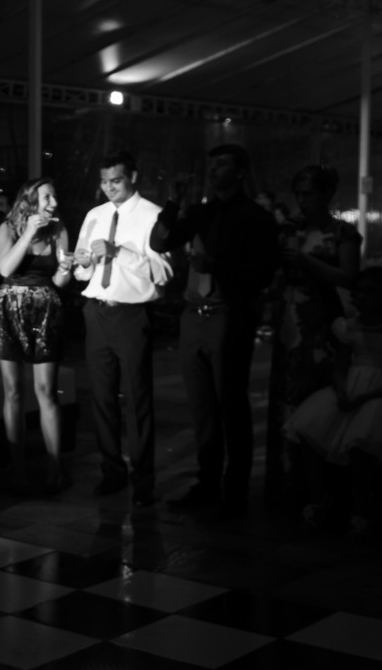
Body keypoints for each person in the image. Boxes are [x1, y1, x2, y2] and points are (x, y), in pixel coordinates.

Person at [150, 145, 279, 519]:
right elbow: (160, 242)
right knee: (201, 407)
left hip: (229, 316)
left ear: (240, 172)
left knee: (232, 406)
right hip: (194, 317)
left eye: (222, 164)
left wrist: (216, 265)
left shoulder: (255, 217)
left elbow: (263, 273)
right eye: (211, 164)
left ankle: (234, 493)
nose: (213, 170)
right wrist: (173, 201)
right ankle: (207, 483)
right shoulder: (201, 212)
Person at [73, 152, 173, 507]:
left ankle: (143, 481)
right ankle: (111, 472)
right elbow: (82, 271)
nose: (109, 188)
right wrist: (82, 264)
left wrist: (120, 252)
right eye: (104, 182)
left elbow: (164, 273)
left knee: (137, 399)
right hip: (95, 311)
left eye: (115, 181)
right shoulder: (95, 215)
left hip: (131, 315)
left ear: (133, 177)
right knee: (101, 399)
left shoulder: (153, 215)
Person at [265, 164, 361, 507]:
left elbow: (349, 276)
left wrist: (309, 263)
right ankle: (285, 482)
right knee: (284, 396)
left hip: (320, 319)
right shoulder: (290, 229)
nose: (302, 201)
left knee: (316, 396)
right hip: (288, 316)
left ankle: (320, 489)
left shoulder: (342, 232)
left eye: (308, 194)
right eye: (298, 195)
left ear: (326, 195)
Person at [0, 177, 73, 495]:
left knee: (47, 391)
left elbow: (60, 281)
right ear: (30, 200)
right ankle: (17, 465)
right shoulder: (8, 228)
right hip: (9, 308)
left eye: (54, 196)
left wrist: (68, 267)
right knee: (13, 392)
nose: (54, 203)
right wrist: (27, 234)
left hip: (45, 309)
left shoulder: (58, 229)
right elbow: (5, 269)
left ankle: (55, 466)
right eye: (47, 197)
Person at [284, 267, 382, 538]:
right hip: (352, 386)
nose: (360, 298)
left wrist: (363, 396)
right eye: (357, 292)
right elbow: (340, 365)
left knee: (362, 440)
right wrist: (341, 391)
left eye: (369, 292)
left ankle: (361, 511)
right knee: (308, 427)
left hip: (376, 393)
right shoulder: (348, 326)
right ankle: (318, 499)